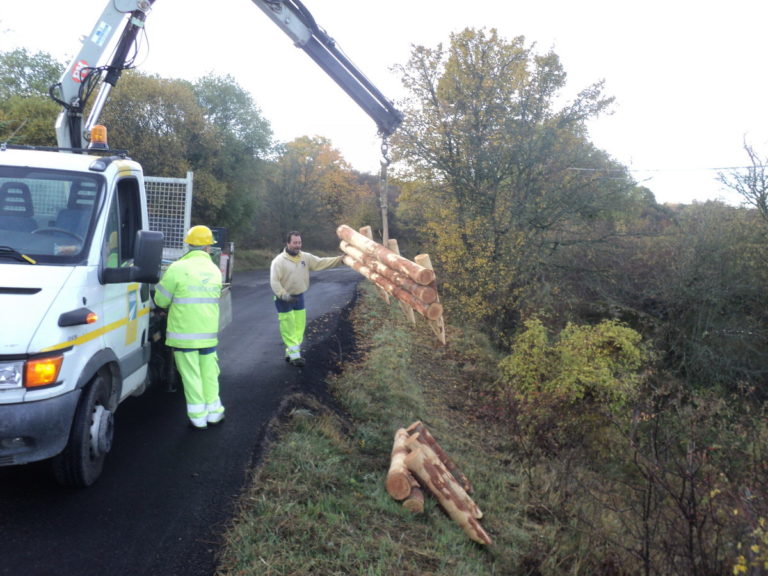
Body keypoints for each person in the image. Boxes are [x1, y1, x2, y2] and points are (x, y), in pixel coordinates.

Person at [153, 225, 225, 429]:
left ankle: (198, 418)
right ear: (207, 247)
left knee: (191, 376)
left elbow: (161, 300)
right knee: (209, 374)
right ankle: (215, 413)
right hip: (208, 334)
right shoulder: (214, 270)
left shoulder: (177, 268)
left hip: (184, 335)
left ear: (189, 244)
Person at [270, 230, 344, 367]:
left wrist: (340, 260)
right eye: (294, 243)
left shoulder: (305, 257)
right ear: (288, 243)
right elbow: (274, 281)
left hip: (299, 296)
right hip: (284, 298)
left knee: (299, 326)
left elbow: (321, 263)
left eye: (299, 242)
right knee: (288, 326)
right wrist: (284, 295)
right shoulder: (279, 261)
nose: (297, 245)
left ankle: (291, 352)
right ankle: (295, 357)